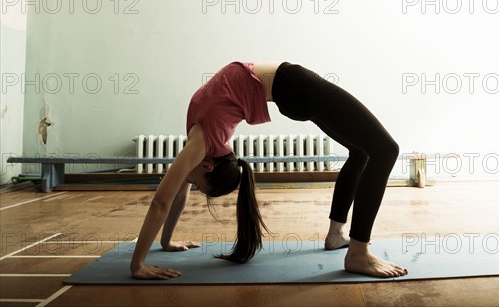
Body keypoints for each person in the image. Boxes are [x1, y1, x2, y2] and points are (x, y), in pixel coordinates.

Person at [130, 62, 407, 279]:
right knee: (383, 150)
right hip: (293, 88)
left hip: (295, 87)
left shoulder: (200, 143)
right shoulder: (204, 144)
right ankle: (358, 251)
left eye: (199, 186)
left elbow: (162, 200)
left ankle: (338, 237)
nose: (192, 185)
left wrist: (138, 264)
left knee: (369, 151)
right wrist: (164, 244)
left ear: (208, 166)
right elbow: (176, 194)